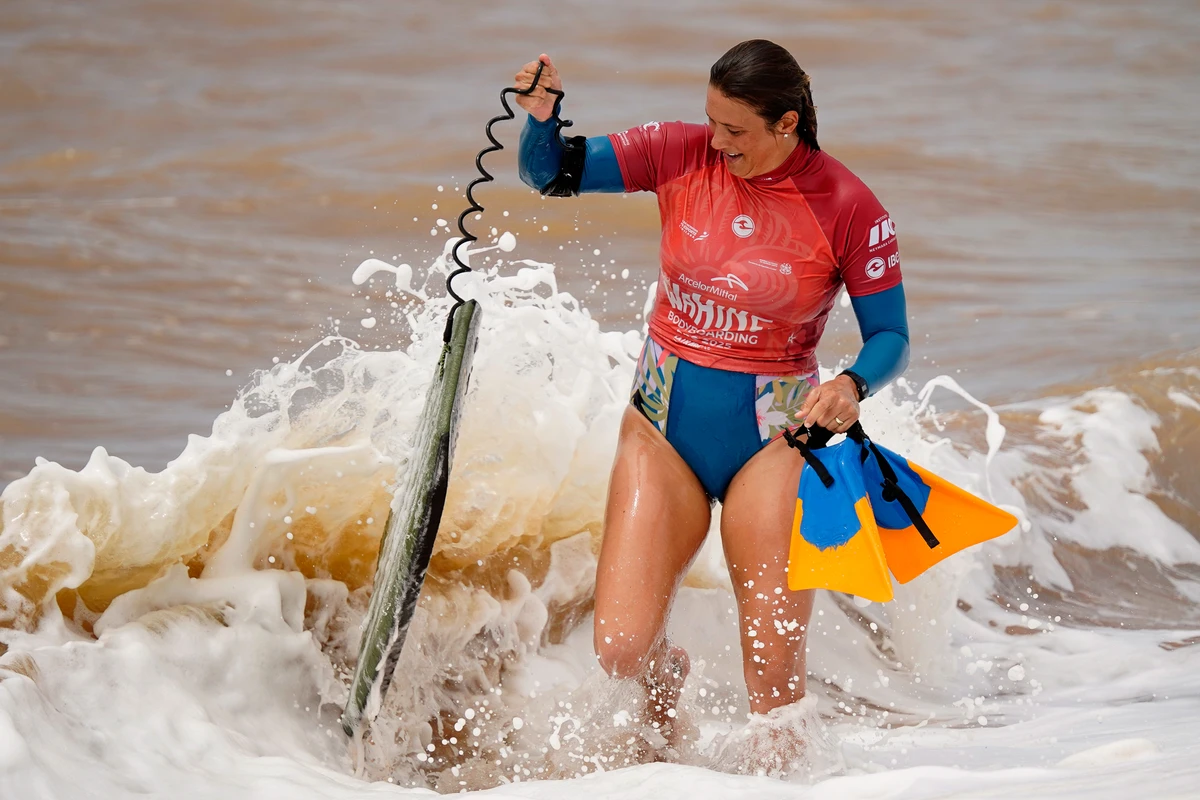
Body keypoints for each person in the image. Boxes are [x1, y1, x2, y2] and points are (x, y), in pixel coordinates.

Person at [512, 40, 909, 746]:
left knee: (775, 681)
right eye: (711, 123)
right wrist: (543, 119)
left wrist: (852, 383)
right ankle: (667, 684)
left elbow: (891, 337)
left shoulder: (849, 206)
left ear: (787, 123)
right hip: (663, 426)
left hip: (777, 441)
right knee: (622, 651)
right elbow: (552, 174)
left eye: (735, 132)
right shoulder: (678, 152)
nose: (716, 144)